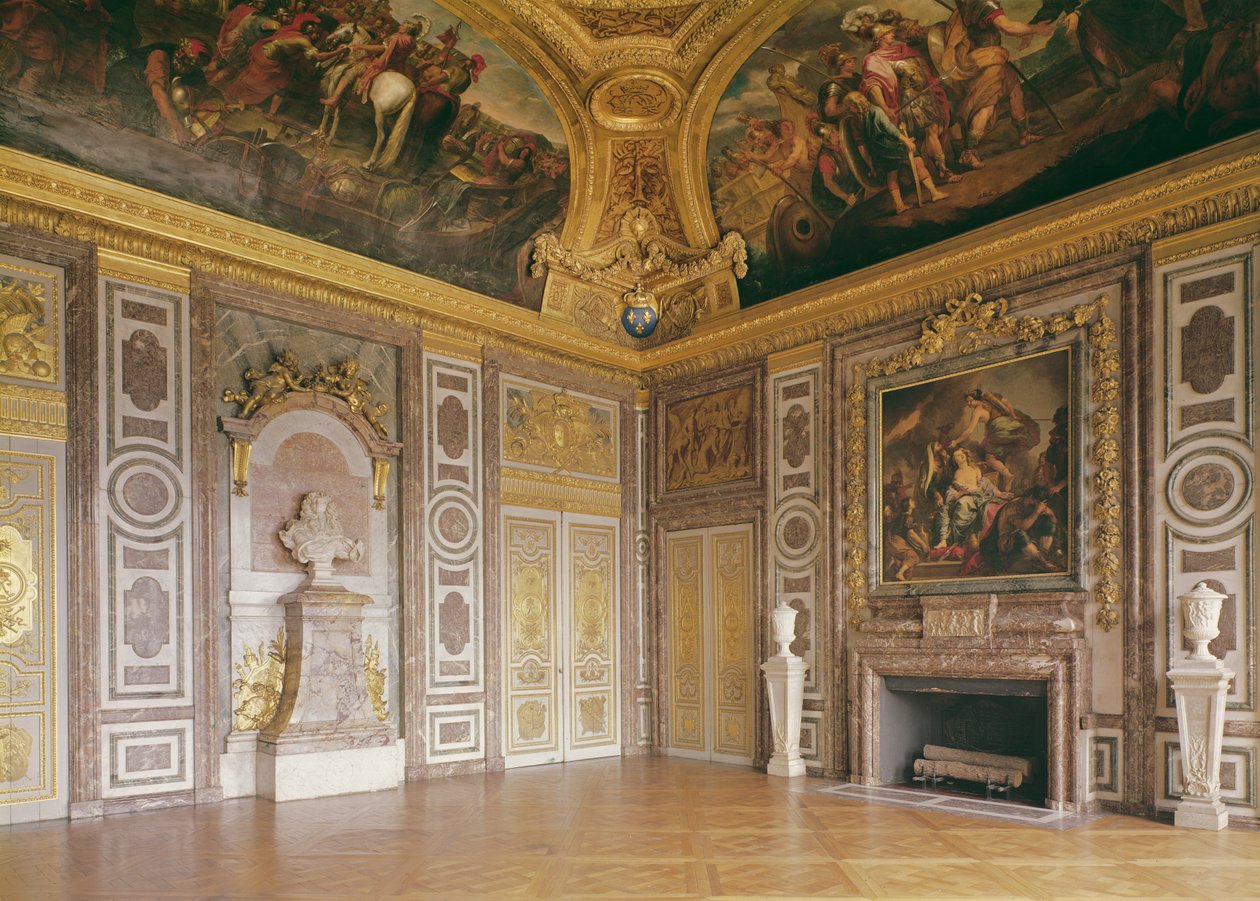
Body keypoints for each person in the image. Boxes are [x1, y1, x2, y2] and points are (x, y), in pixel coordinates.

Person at [939, 0, 1055, 169]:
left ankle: (1024, 134)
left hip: (993, 56)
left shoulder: (970, 5)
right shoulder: (984, 3)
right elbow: (1008, 27)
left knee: (1015, 90)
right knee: (986, 105)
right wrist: (1035, 28)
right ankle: (969, 153)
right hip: (987, 61)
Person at [842, 91, 947, 214]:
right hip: (893, 147)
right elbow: (890, 129)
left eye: (849, 106)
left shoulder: (854, 122)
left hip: (880, 153)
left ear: (854, 105)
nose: (849, 109)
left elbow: (862, 147)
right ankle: (934, 193)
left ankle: (899, 206)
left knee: (891, 176)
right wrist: (906, 141)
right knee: (918, 163)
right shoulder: (875, 111)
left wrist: (871, 165)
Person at [947, 387, 1041, 490]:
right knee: (1004, 450)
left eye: (970, 401)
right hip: (1008, 424)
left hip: (998, 429)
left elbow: (969, 431)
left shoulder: (977, 411)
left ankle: (1008, 475)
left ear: (977, 399)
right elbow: (1006, 402)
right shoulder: (992, 399)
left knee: (989, 458)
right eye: (967, 402)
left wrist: (956, 441)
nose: (968, 404)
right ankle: (1006, 475)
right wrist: (1013, 415)